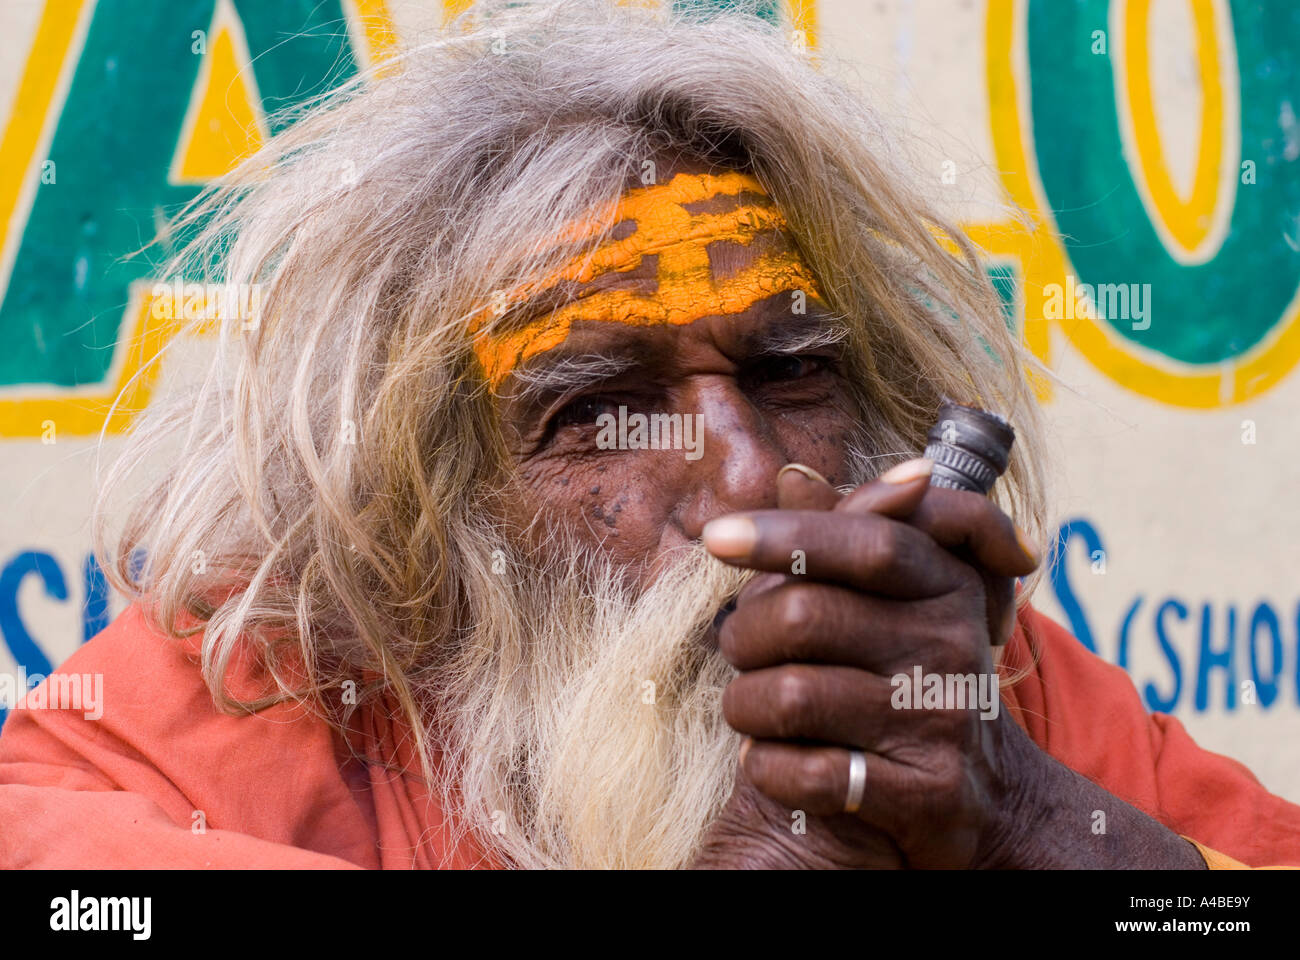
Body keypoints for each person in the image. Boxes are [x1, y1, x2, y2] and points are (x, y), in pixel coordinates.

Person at [1, 0, 1296, 869]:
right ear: (418, 507)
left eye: (792, 373)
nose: (746, 479)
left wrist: (1022, 818)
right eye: (588, 413)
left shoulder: (961, 690)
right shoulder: (268, 677)